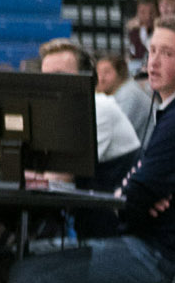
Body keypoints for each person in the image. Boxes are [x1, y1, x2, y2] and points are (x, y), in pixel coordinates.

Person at [9, 19, 175, 283]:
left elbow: (132, 198)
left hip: (159, 257)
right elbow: (137, 192)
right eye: (152, 52)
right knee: (27, 255)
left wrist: (135, 198)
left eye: (168, 53)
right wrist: (137, 196)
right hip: (150, 246)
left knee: (27, 277)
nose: (154, 62)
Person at [32, 38, 142, 192]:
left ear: (86, 77)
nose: (52, 84)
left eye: (60, 75)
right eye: (46, 77)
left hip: (115, 210)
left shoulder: (100, 108)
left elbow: (59, 177)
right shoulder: (55, 114)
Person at [125, 0, 158, 73]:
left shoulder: (159, 30)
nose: (148, 17)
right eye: (143, 12)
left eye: (152, 12)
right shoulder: (134, 30)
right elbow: (131, 54)